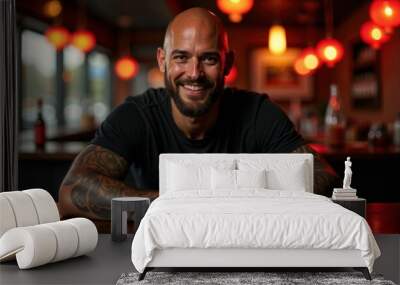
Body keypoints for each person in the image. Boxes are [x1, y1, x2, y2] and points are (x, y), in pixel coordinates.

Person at [58, 8, 338, 220]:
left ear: (227, 63)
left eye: (209, 58)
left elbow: (325, 177)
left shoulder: (257, 113)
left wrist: (236, 201)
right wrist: (178, 205)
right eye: (181, 57)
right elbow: (72, 191)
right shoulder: (137, 114)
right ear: (162, 61)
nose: (194, 73)